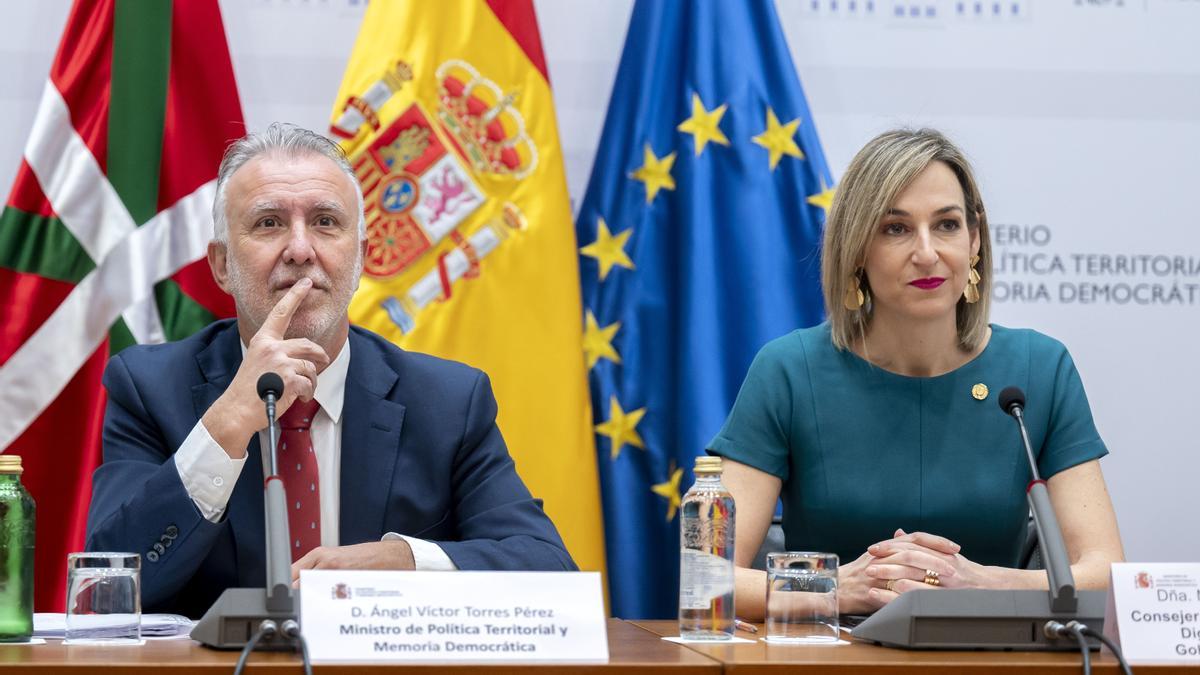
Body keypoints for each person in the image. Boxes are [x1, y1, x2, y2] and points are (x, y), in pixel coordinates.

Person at [85, 123, 575, 618]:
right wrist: (228, 423)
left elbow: (549, 571)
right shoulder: (150, 390)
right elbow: (108, 589)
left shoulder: (448, 402)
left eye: (324, 222)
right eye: (269, 223)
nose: (300, 250)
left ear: (361, 258)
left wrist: (406, 561)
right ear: (222, 265)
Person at [708, 129, 1124, 618]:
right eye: (895, 228)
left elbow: (1104, 573)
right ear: (857, 248)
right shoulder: (789, 370)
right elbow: (709, 576)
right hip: (830, 650)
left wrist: (981, 583)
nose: (927, 253)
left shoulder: (1039, 368)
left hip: (992, 652)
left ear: (974, 240)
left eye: (947, 224)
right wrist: (834, 586)